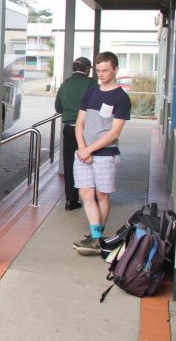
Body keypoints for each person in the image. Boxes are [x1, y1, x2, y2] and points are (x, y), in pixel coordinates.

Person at [71, 52, 131, 256]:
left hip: (105, 154)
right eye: (98, 71)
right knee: (85, 193)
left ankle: (96, 237)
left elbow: (114, 133)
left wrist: (89, 149)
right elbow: (79, 123)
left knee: (101, 194)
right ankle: (96, 237)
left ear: (115, 69)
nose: (101, 74)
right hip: (83, 153)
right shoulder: (91, 93)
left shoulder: (121, 98)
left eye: (105, 70)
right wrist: (82, 148)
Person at [54, 57, 98, 210]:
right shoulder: (91, 83)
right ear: (87, 69)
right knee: (90, 162)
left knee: (69, 164)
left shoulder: (65, 83)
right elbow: (96, 105)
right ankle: (92, 198)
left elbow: (58, 107)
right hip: (87, 130)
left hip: (68, 128)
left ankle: (70, 201)